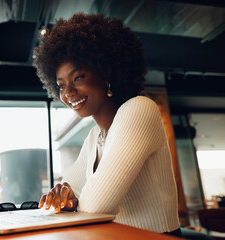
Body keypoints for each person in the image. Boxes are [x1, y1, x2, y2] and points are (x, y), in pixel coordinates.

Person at [32, 13, 181, 237]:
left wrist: (75, 201)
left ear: (106, 72)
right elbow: (65, 193)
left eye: (78, 77)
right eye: (61, 85)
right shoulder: (94, 137)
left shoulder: (139, 109)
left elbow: (95, 207)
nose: (68, 92)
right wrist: (65, 197)